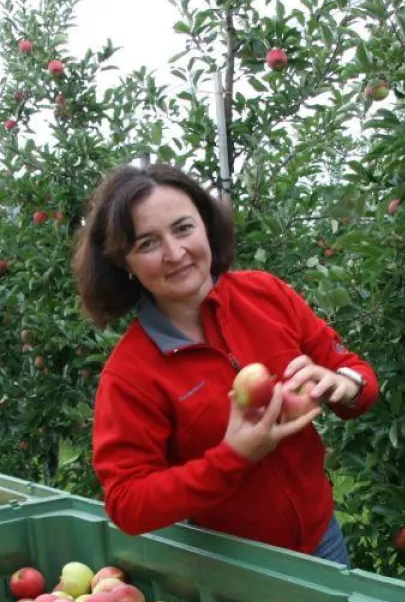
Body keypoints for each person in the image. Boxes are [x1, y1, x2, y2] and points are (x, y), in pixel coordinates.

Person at [72, 162, 380, 566]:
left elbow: (355, 373)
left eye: (183, 228)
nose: (175, 253)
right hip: (233, 568)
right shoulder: (132, 373)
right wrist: (232, 457)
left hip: (323, 542)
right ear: (123, 263)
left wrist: (343, 383)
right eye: (147, 243)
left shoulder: (266, 295)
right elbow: (128, 502)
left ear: (206, 226)